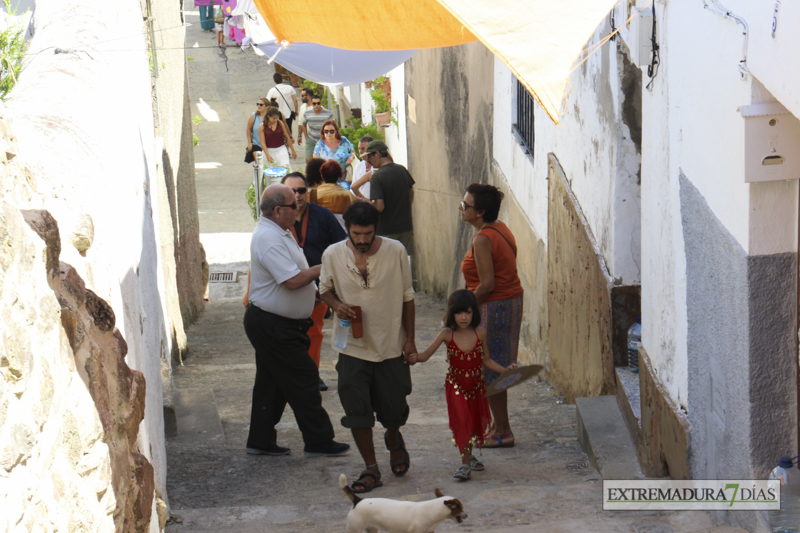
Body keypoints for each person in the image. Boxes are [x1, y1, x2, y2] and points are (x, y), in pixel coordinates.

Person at [242, 184, 350, 458]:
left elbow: (295, 275)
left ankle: (260, 440)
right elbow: (291, 281)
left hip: (279, 323)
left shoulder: (279, 232)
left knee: (272, 384)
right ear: (278, 211)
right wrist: (325, 268)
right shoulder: (268, 237)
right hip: (273, 325)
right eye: (293, 205)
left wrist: (313, 294)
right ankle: (319, 440)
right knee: (304, 379)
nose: (298, 207)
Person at [319, 201, 417, 493]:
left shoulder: (396, 251)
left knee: (394, 406)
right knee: (356, 409)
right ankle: (371, 468)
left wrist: (410, 339)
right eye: (356, 233)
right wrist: (337, 305)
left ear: (377, 230)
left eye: (368, 233)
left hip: (390, 345)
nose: (362, 240)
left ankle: (394, 437)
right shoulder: (332, 254)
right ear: (347, 229)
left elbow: (408, 297)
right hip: (352, 347)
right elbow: (325, 289)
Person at [410, 290, 512, 481]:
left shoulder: (480, 333)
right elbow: (424, 356)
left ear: (474, 312)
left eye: (468, 312)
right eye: (458, 313)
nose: (463, 317)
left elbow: (487, 361)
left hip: (476, 387)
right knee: (462, 422)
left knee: (472, 424)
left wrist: (505, 371)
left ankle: (469, 455)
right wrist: (413, 357)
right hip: (455, 386)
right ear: (451, 314)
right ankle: (464, 464)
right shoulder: (446, 334)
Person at [459, 183, 524, 448]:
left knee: (492, 369)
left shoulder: (483, 238)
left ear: (480, 211)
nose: (461, 208)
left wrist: (460, 309)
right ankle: (498, 425)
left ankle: (503, 431)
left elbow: (486, 285)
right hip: (508, 303)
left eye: (466, 205)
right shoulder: (499, 228)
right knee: (495, 366)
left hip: (495, 307)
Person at [282, 171, 347, 391]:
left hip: (316, 288)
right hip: (285, 286)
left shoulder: (323, 215)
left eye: (301, 190)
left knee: (313, 332)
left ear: (308, 191)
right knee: (287, 334)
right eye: (292, 191)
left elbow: (341, 247)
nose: (297, 195)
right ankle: (290, 375)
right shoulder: (277, 219)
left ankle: (312, 374)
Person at [362, 140, 415, 255]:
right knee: (403, 263)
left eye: (369, 157)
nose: (368, 161)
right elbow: (411, 192)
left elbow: (379, 207)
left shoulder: (377, 177)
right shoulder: (402, 170)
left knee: (387, 266)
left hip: (386, 231)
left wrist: (366, 204)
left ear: (377, 154)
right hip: (406, 227)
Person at [316, 160, 353, 229]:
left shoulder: (312, 194)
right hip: (343, 234)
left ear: (322, 175)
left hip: (321, 232)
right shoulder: (348, 195)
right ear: (339, 175)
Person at [301, 95, 334, 163]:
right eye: (314, 103)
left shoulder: (328, 113)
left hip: (324, 140)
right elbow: (303, 125)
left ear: (321, 103)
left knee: (324, 160)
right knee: (309, 160)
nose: (316, 105)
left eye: (318, 103)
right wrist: (306, 137)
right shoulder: (307, 113)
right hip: (312, 138)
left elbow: (333, 126)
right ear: (311, 104)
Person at [245, 98, 268, 164]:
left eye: (261, 105)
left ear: (266, 106)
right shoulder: (254, 115)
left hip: (268, 145)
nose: (259, 106)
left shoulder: (270, 117)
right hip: (256, 144)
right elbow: (248, 129)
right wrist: (249, 143)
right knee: (259, 163)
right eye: (257, 104)